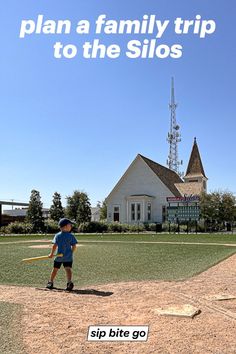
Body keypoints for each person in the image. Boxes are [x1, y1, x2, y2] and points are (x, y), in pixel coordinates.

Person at [46, 218, 78, 291]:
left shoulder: (57, 235)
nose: (71, 227)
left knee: (55, 269)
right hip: (68, 257)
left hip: (58, 257)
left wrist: (51, 254)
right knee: (68, 269)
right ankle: (69, 283)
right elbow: (74, 246)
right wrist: (71, 252)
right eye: (70, 225)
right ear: (66, 226)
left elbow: (54, 246)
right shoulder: (71, 236)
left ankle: (50, 282)